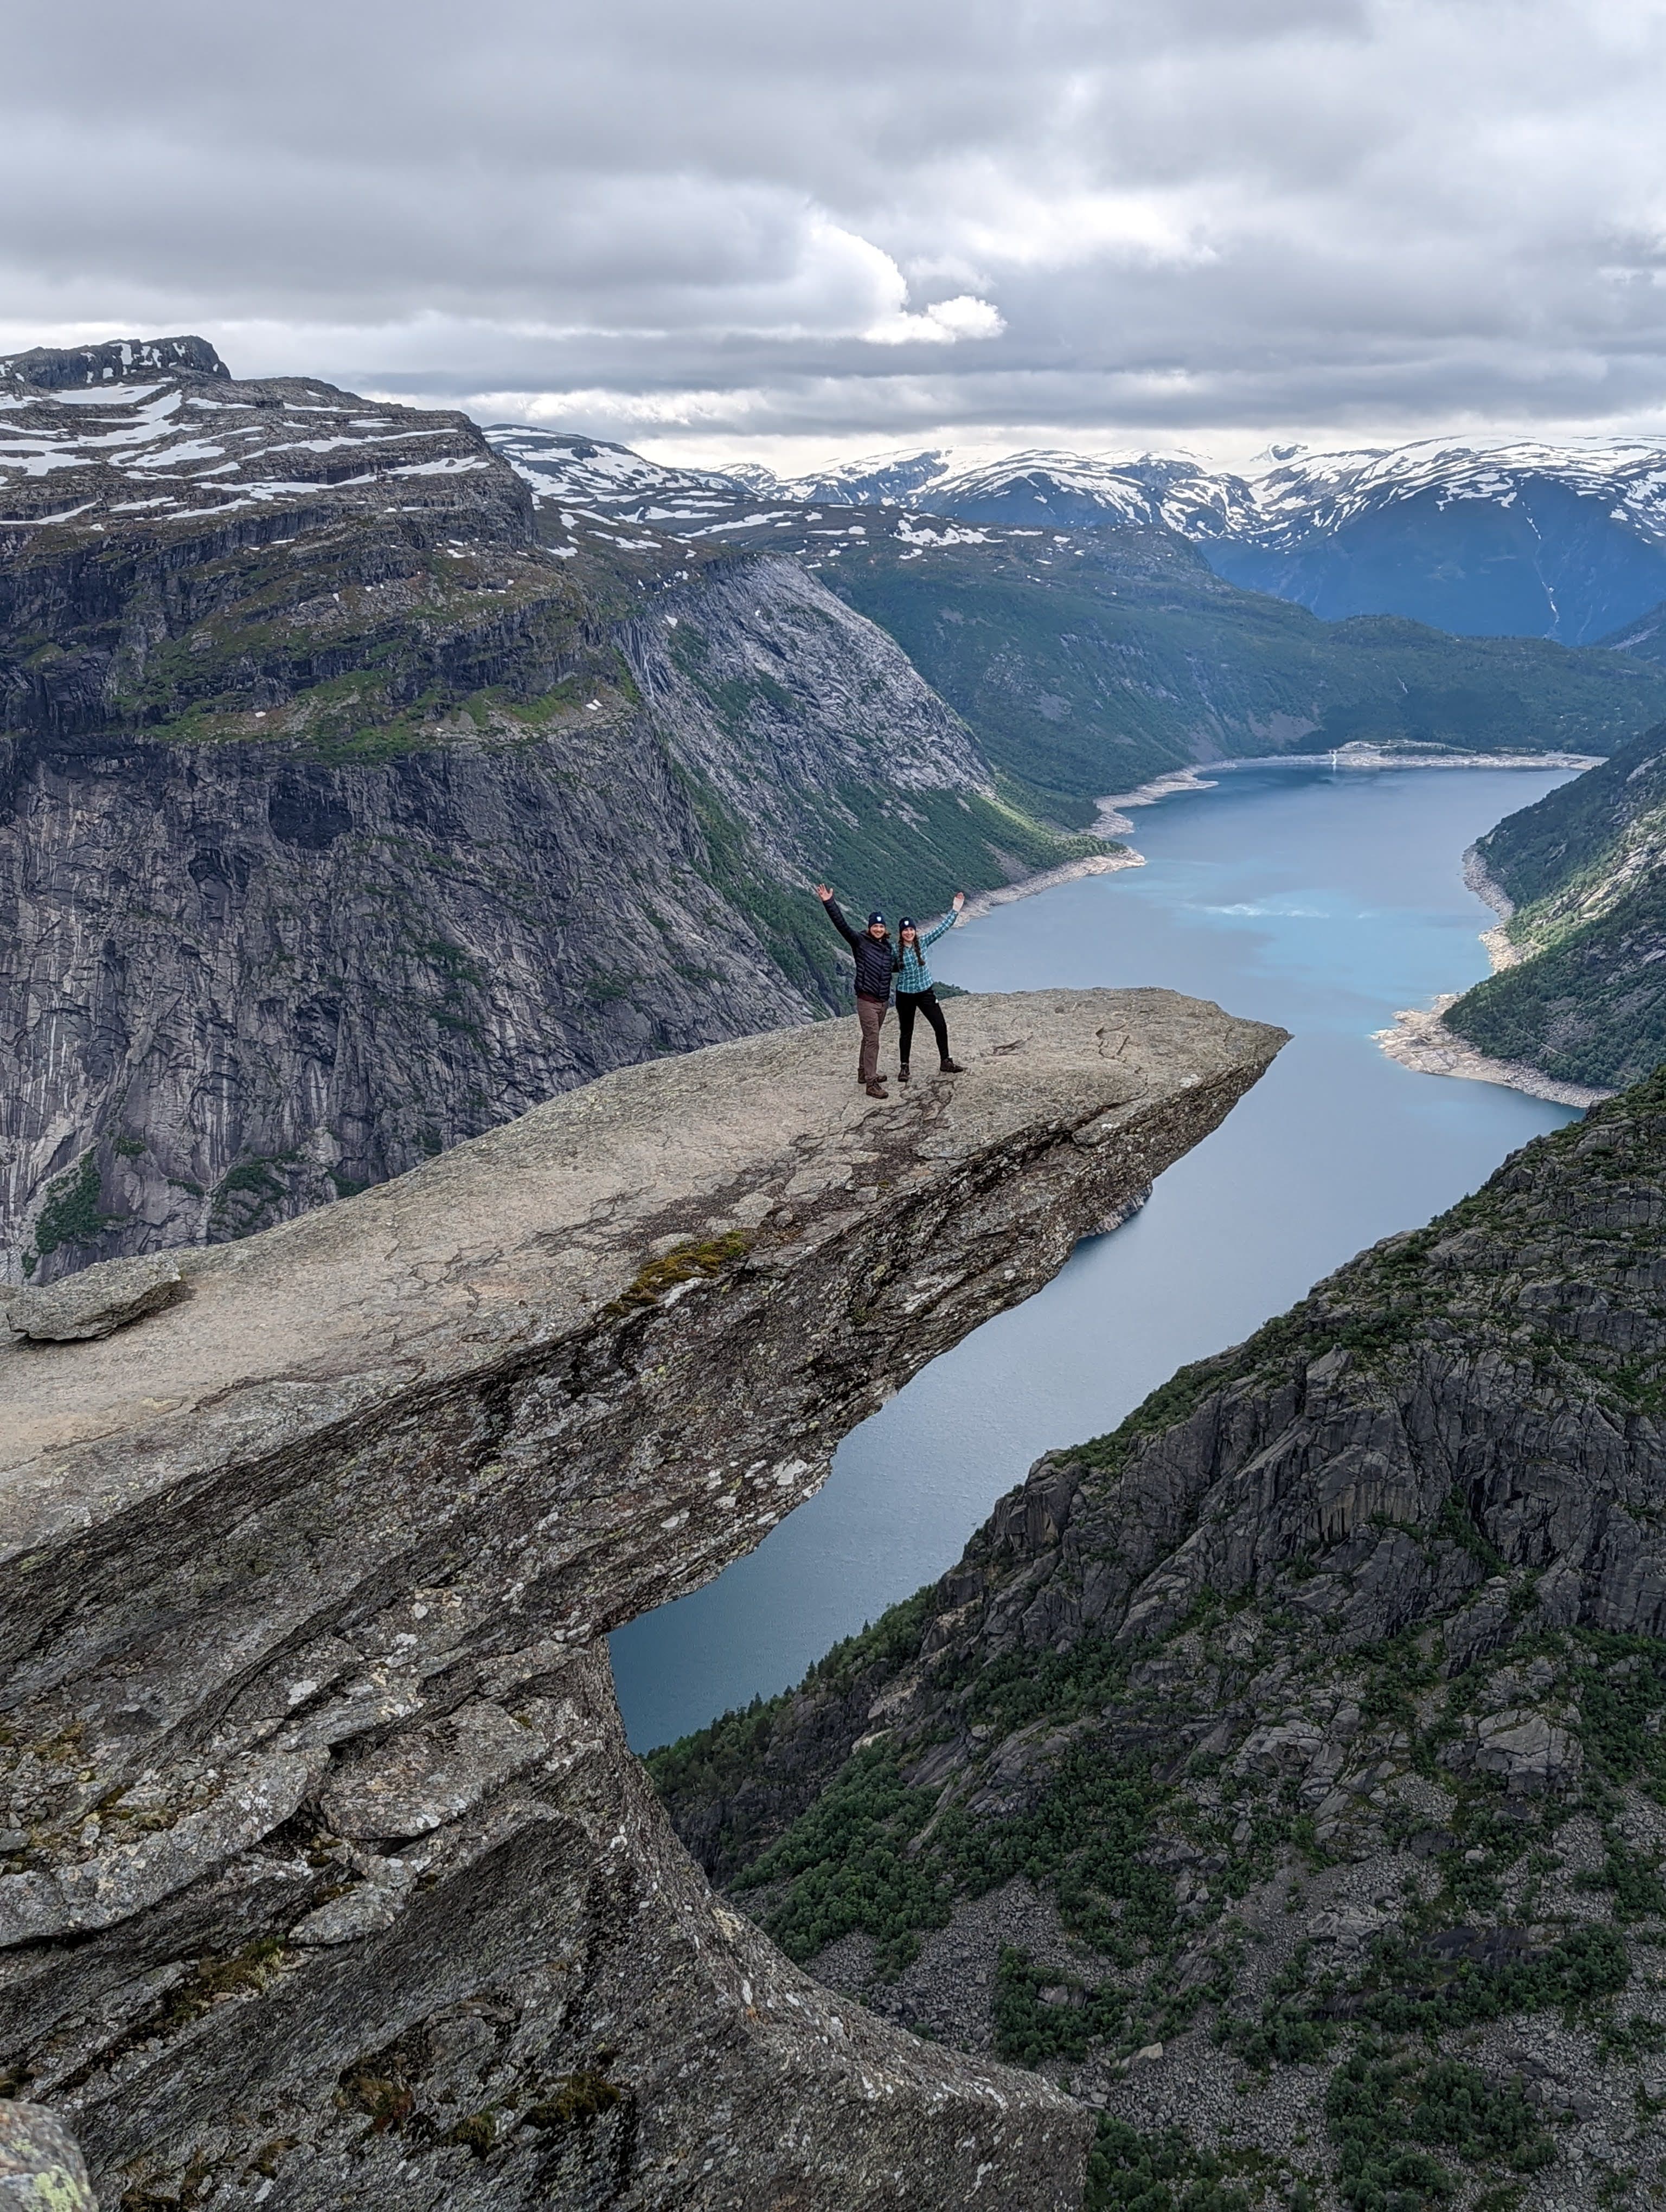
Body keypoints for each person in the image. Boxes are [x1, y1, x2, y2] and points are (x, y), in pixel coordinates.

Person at [815, 884, 896, 1097]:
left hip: (882, 1001)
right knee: (873, 1040)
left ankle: (863, 1073)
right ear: (869, 928)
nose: (878, 929)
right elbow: (842, 926)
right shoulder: (860, 942)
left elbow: (893, 967)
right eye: (875, 926)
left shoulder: (887, 948)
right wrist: (829, 903)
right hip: (867, 1000)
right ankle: (871, 1083)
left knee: (868, 1038)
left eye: (881, 926)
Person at [895, 897, 967, 1081]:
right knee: (906, 1031)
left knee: (940, 1026)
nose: (909, 933)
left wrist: (955, 909)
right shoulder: (895, 951)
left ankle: (945, 1061)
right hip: (905, 996)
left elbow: (941, 929)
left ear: (915, 931)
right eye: (906, 930)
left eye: (911, 929)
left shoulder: (924, 942)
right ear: (901, 933)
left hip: (926, 993)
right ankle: (904, 1067)